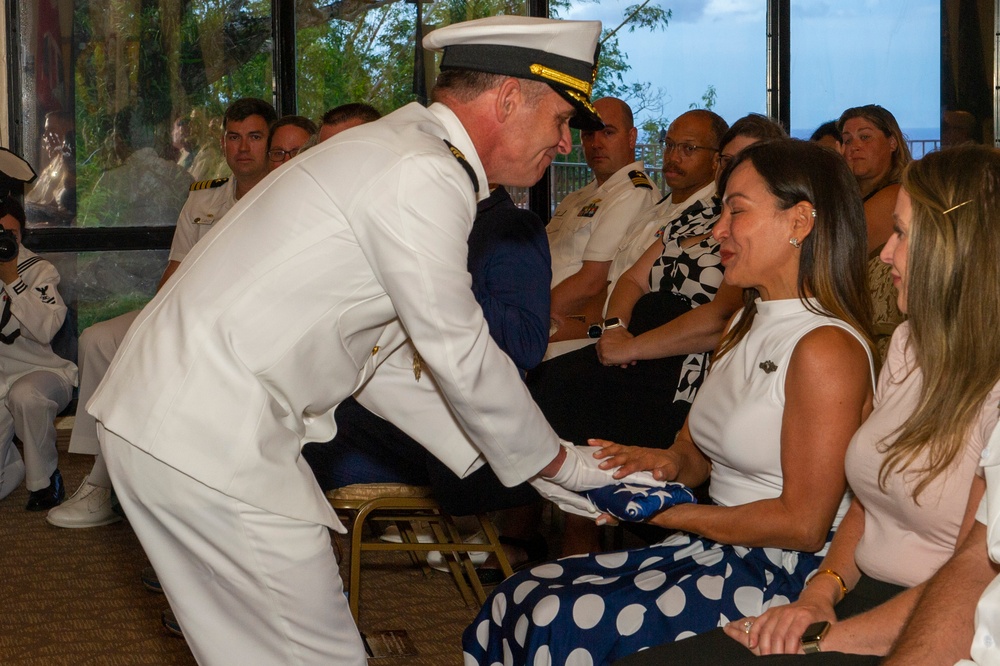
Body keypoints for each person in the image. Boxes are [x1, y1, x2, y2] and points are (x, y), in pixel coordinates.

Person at [86, 17, 660, 665]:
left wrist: (535, 469)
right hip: (211, 436)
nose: (564, 143)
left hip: (178, 421)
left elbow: (385, 359)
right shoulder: (423, 173)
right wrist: (558, 464)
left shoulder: (402, 150)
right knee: (321, 653)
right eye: (560, 119)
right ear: (506, 100)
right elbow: (456, 345)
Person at [462, 139, 877, 666]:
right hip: (721, 547)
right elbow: (697, 453)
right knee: (516, 598)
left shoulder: (826, 347)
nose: (717, 229)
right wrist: (660, 462)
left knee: (554, 620)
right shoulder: (744, 323)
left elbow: (803, 524)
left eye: (736, 211)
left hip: (784, 572)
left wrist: (673, 515)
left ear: (799, 221)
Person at [614, 144, 1000, 665]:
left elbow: (972, 579)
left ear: (958, 248)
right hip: (852, 587)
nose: (883, 253)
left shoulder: (980, 386)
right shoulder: (910, 345)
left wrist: (825, 636)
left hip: (927, 614)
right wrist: (820, 594)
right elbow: (868, 499)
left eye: (903, 234)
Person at [522, 114, 782, 558]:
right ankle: (565, 527)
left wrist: (629, 345)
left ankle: (588, 531)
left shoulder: (754, 231)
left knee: (561, 389)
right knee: (547, 381)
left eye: (745, 160)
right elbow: (632, 279)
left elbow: (721, 318)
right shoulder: (696, 214)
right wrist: (615, 332)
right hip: (638, 348)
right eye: (726, 160)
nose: (730, 170)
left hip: (688, 363)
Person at [45, 98, 277, 529]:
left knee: (165, 362)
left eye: (255, 136)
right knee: (98, 339)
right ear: (223, 144)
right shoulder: (203, 197)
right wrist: (154, 320)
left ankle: (118, 478)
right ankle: (103, 477)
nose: (243, 147)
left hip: (244, 325)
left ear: (270, 141)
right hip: (186, 311)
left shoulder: (286, 198)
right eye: (233, 136)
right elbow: (176, 267)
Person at [303, 182, 550, 517]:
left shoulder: (509, 226)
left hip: (442, 427)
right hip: (377, 395)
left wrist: (446, 273)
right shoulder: (412, 218)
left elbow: (528, 344)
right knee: (278, 430)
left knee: (293, 452)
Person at [547, 97, 659, 341]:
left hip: (569, 331)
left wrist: (529, 316)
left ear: (631, 138)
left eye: (608, 132)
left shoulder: (633, 193)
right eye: (589, 134)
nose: (596, 143)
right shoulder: (580, 196)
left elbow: (593, 282)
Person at [0, 197, 77, 509]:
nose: (4, 241)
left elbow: (45, 330)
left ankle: (43, 480)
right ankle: (14, 464)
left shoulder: (39, 270)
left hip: (44, 375)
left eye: (11, 235)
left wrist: (12, 281)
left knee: (26, 396)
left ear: (22, 235)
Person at [838, 105, 911, 358]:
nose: (854, 146)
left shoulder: (895, 196)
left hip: (883, 342)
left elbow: (834, 254)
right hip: (856, 333)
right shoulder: (849, 200)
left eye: (865, 137)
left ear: (892, 142)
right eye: (847, 140)